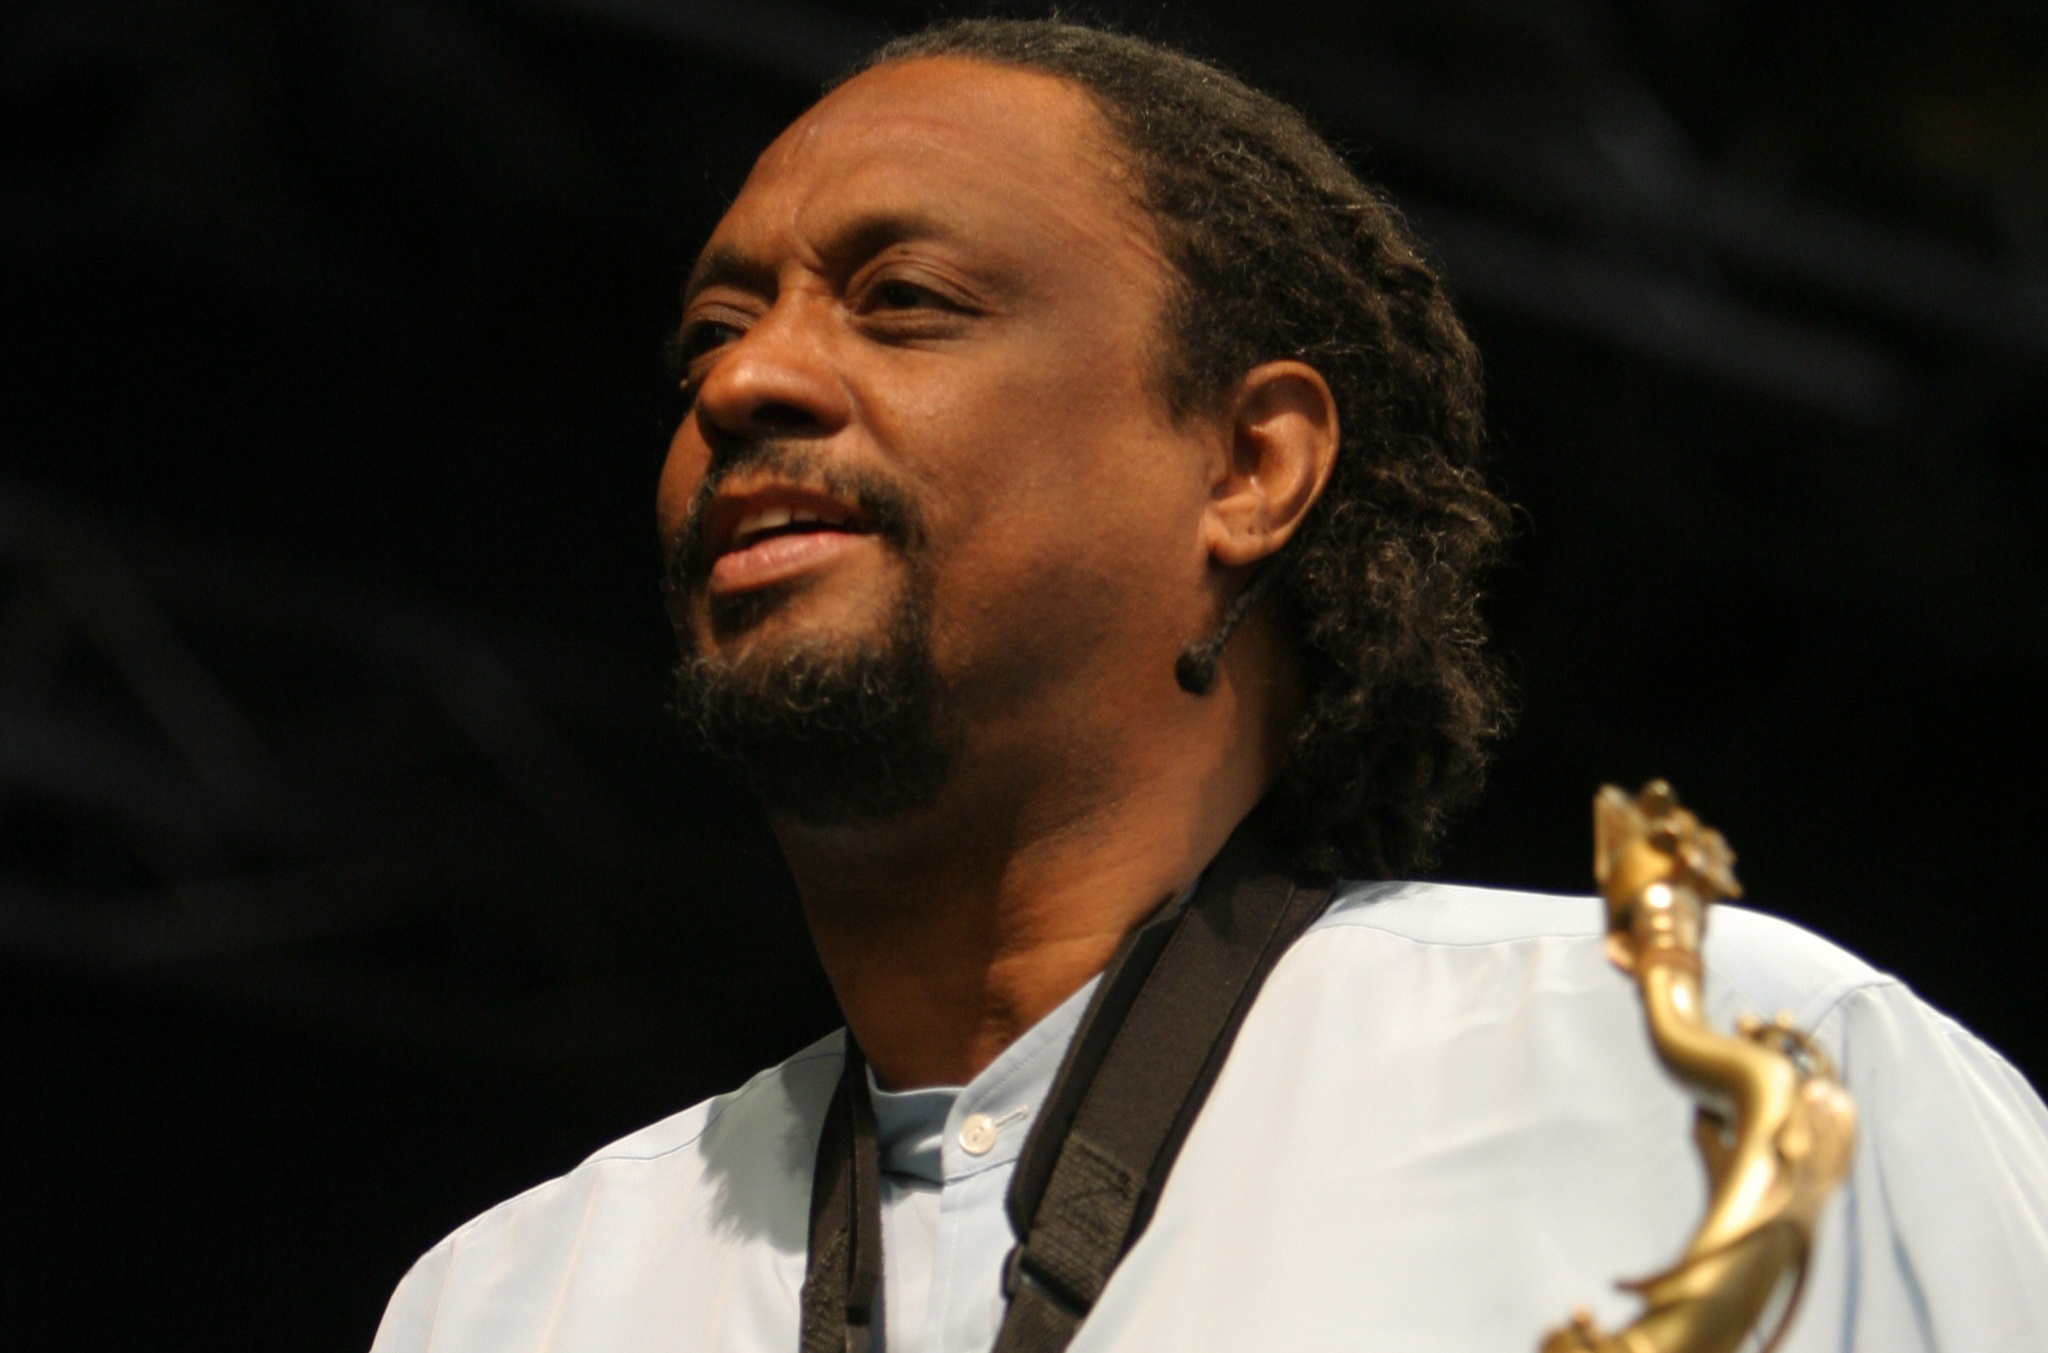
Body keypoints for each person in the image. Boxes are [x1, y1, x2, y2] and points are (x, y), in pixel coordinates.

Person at [369, 19, 2048, 1353]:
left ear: (1248, 466)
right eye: (709, 336)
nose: (745, 377)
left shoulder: (1709, 1083)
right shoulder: (518, 1302)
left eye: (905, 302)